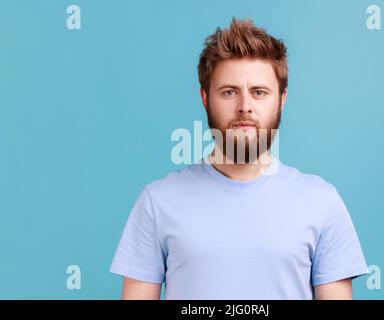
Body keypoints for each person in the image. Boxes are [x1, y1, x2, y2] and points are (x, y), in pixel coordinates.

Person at [110, 17, 368, 300]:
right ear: (205, 98)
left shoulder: (322, 202)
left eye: (259, 92)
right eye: (229, 92)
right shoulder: (156, 203)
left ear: (281, 100)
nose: (245, 107)